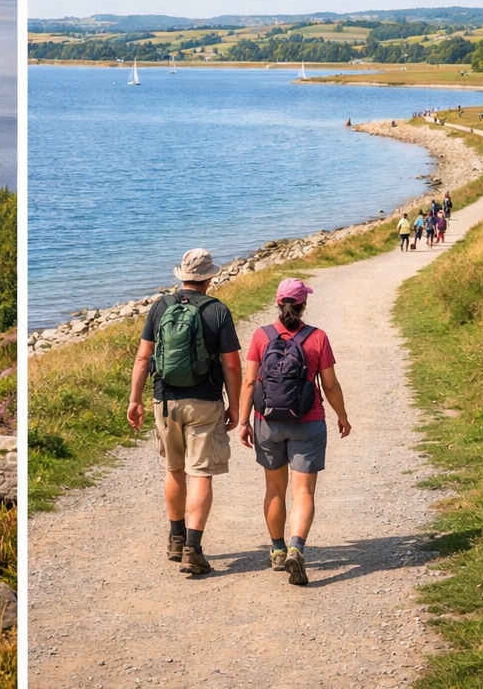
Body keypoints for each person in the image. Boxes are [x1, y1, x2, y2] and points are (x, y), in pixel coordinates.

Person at [127, 249, 243, 575]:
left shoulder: (160, 306)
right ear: (209, 278)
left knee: (173, 469)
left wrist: (135, 400)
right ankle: (193, 549)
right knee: (200, 473)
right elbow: (232, 365)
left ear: (181, 276)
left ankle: (175, 540)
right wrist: (234, 405)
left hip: (164, 401)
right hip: (205, 402)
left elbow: (142, 358)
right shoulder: (218, 310)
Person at [238, 279, 351, 585]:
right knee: (303, 492)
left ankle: (276, 551)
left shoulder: (261, 336)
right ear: (303, 305)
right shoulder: (317, 337)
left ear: (278, 303)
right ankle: (296, 548)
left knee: (274, 489)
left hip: (267, 421)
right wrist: (342, 417)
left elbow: (250, 383)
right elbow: (329, 384)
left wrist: (244, 421)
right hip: (308, 421)